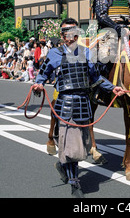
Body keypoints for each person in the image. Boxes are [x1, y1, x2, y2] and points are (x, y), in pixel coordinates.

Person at [32, 18, 125, 197]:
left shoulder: (86, 53)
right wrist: (38, 85)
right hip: (65, 104)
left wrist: (113, 87)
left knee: (82, 146)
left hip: (84, 104)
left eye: (73, 32)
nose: (70, 36)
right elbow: (42, 74)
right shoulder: (54, 53)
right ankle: (75, 183)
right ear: (62, 35)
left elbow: (96, 78)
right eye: (66, 32)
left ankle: (62, 165)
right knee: (73, 147)